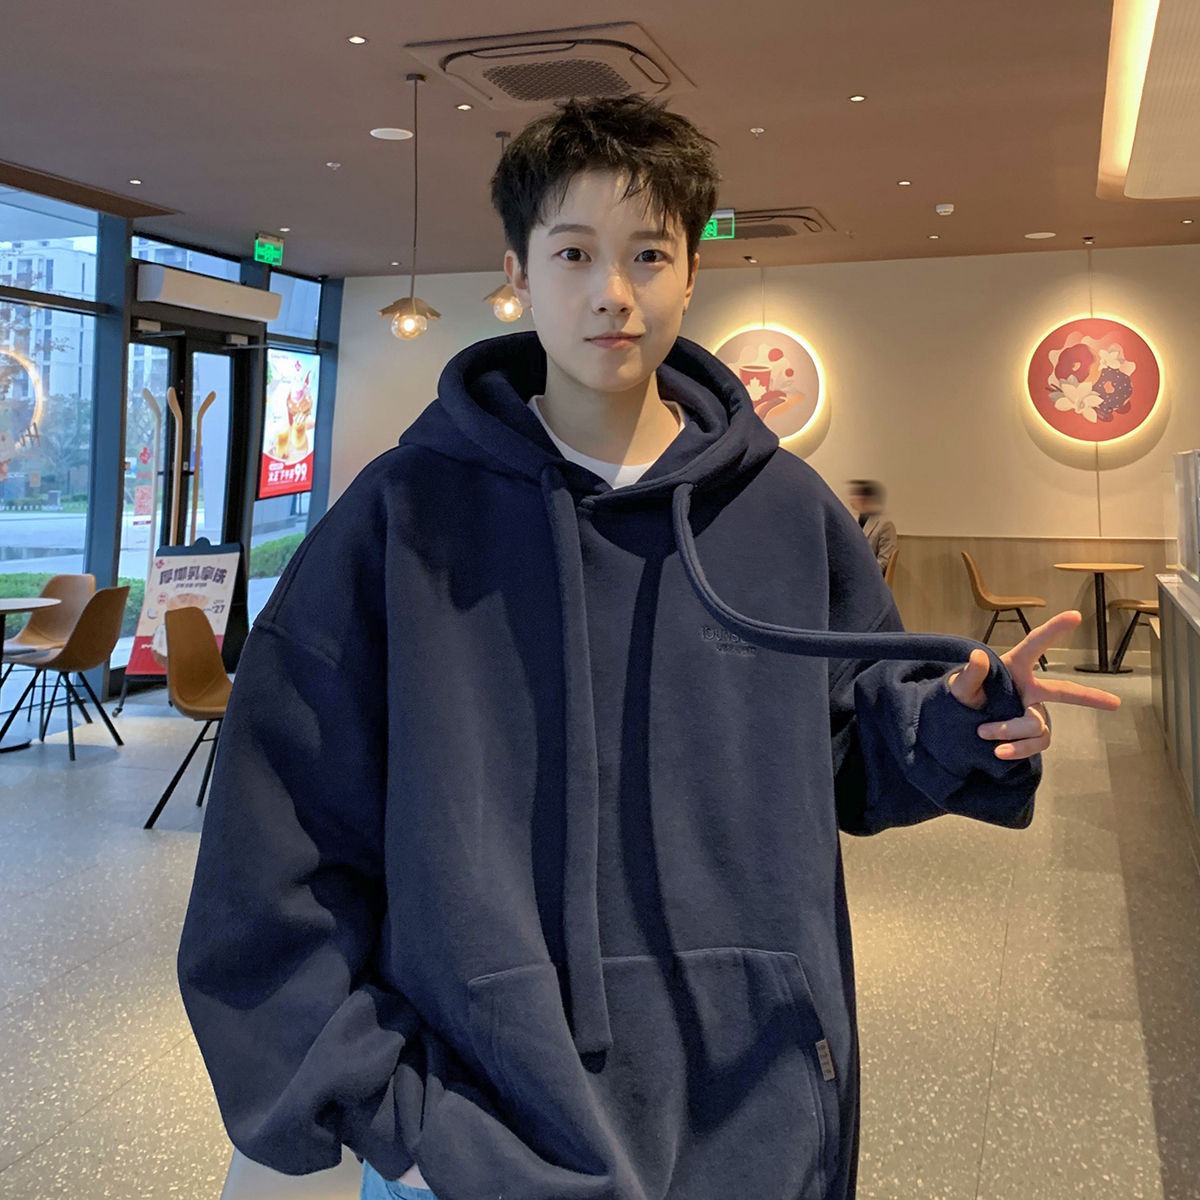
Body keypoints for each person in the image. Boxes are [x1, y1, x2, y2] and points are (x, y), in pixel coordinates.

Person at [177, 97, 1119, 1200]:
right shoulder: (404, 519)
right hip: (480, 1135)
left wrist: (961, 727)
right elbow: (276, 835)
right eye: (573, 253)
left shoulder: (783, 512)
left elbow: (852, 748)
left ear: (691, 275)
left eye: (648, 254)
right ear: (520, 274)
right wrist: (393, 1112)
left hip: (756, 1110)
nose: (611, 292)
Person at [847, 479, 896, 576]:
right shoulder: (857, 519)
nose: (852, 500)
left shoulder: (885, 524)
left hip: (870, 576)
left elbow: (884, 561)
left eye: (856, 496)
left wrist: (862, 573)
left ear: (867, 499)